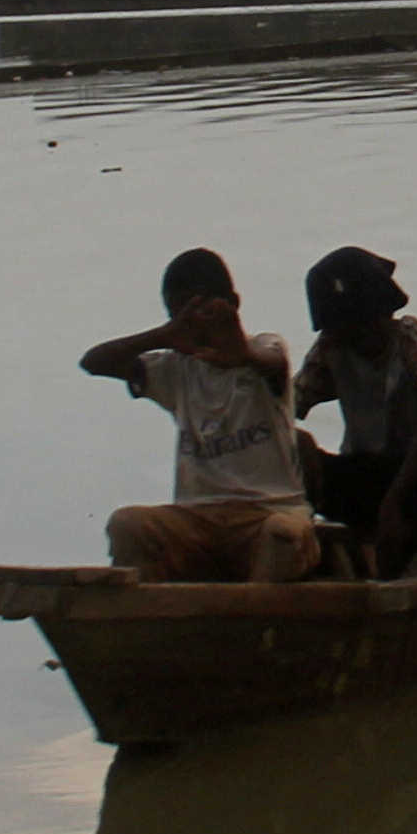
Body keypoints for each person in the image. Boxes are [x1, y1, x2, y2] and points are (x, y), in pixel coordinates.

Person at [77, 246, 317, 582]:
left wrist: (241, 356)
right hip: (197, 521)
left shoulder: (263, 350)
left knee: (285, 534)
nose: (192, 328)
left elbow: (272, 364)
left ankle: (253, 618)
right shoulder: (175, 370)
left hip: (264, 516)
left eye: (199, 313)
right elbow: (94, 363)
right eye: (180, 318)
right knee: (127, 524)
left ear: (231, 304)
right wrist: (163, 336)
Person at [292, 244, 417, 572]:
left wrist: (393, 502)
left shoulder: (412, 337)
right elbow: (288, 404)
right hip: (365, 472)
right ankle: (304, 548)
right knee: (297, 447)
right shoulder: (332, 349)